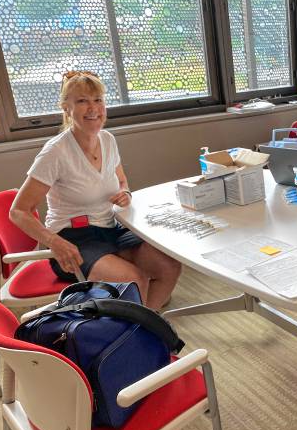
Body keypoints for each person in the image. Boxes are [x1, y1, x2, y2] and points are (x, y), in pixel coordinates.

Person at [10, 71, 181, 310]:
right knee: (135, 280)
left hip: (111, 228)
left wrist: (126, 193)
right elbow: (18, 211)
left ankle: (146, 327)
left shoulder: (108, 139)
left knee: (169, 265)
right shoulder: (56, 152)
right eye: (82, 101)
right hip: (72, 239)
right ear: (66, 108)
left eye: (98, 100)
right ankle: (138, 335)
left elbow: (122, 180)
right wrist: (54, 242)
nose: (93, 108)